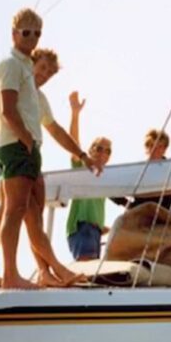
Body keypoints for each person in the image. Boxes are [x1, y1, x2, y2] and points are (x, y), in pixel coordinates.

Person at [0, 46, 98, 287]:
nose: (45, 75)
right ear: (31, 62)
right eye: (43, 67)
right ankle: (52, 270)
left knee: (22, 215)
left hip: (28, 158)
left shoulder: (39, 99)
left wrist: (81, 154)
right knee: (26, 215)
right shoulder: (7, 81)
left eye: (50, 73)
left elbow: (55, 130)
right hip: (7, 157)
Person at [0, 9, 101, 289]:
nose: (32, 37)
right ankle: (10, 275)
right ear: (14, 34)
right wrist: (26, 139)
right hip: (15, 147)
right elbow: (4, 110)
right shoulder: (11, 67)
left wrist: (82, 155)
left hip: (28, 149)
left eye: (37, 33)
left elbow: (55, 129)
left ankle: (51, 271)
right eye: (26, 32)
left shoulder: (35, 93)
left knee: (34, 215)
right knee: (15, 211)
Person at [65, 91, 113, 261]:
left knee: (92, 278)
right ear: (91, 150)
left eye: (107, 150)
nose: (103, 153)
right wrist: (75, 114)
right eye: (99, 148)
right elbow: (73, 144)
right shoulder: (82, 166)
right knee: (87, 275)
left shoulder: (106, 179)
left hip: (95, 232)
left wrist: (105, 228)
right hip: (82, 228)